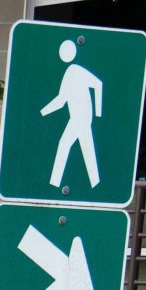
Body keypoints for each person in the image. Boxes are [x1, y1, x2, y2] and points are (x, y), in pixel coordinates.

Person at [42, 40, 105, 191]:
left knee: (65, 145)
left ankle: (54, 184)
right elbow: (61, 101)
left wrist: (98, 112)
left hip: (81, 118)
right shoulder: (68, 73)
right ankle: (96, 185)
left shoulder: (76, 70)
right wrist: (42, 112)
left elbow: (98, 84)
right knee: (87, 149)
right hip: (78, 118)